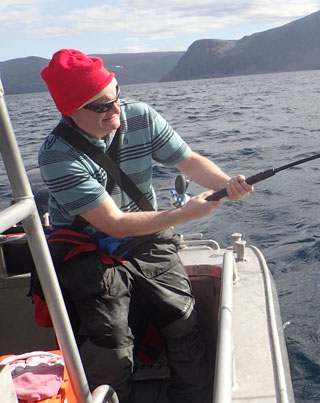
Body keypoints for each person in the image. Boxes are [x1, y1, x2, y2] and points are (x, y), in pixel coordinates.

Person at [38, 48, 253, 402]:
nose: (116, 110)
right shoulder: (57, 156)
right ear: (70, 111)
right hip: (87, 247)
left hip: (149, 236)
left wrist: (228, 184)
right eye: (102, 106)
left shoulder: (140, 116)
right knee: (111, 342)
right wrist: (186, 214)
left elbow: (190, 161)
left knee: (181, 319)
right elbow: (115, 224)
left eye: (117, 96)